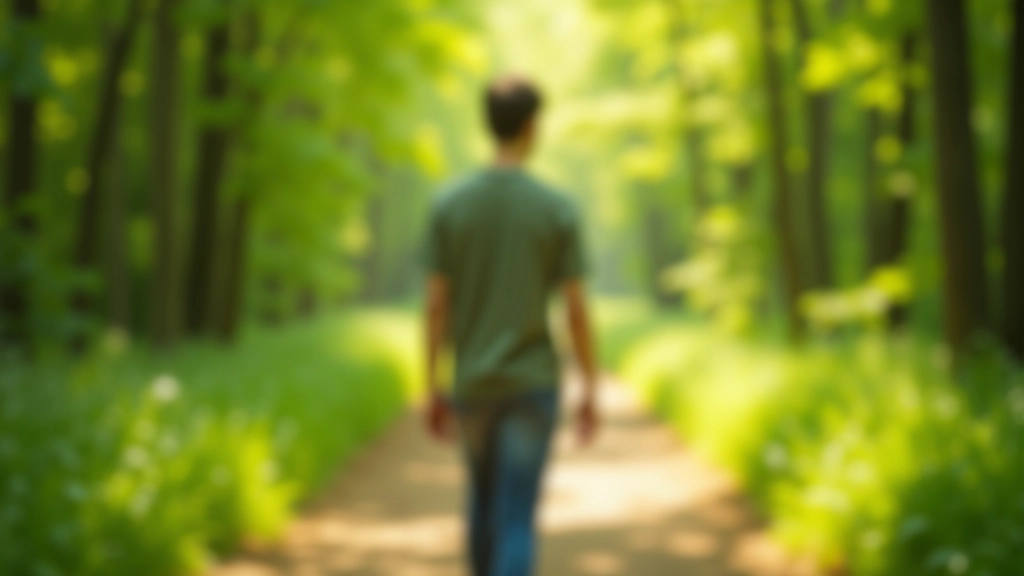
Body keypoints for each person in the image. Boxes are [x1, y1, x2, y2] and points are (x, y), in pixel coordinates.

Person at [422, 75, 600, 576]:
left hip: (473, 383)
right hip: (533, 384)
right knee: (516, 517)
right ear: (530, 125)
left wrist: (431, 383)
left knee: (481, 507)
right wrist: (589, 386)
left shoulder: (449, 204)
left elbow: (436, 304)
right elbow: (576, 308)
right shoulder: (556, 207)